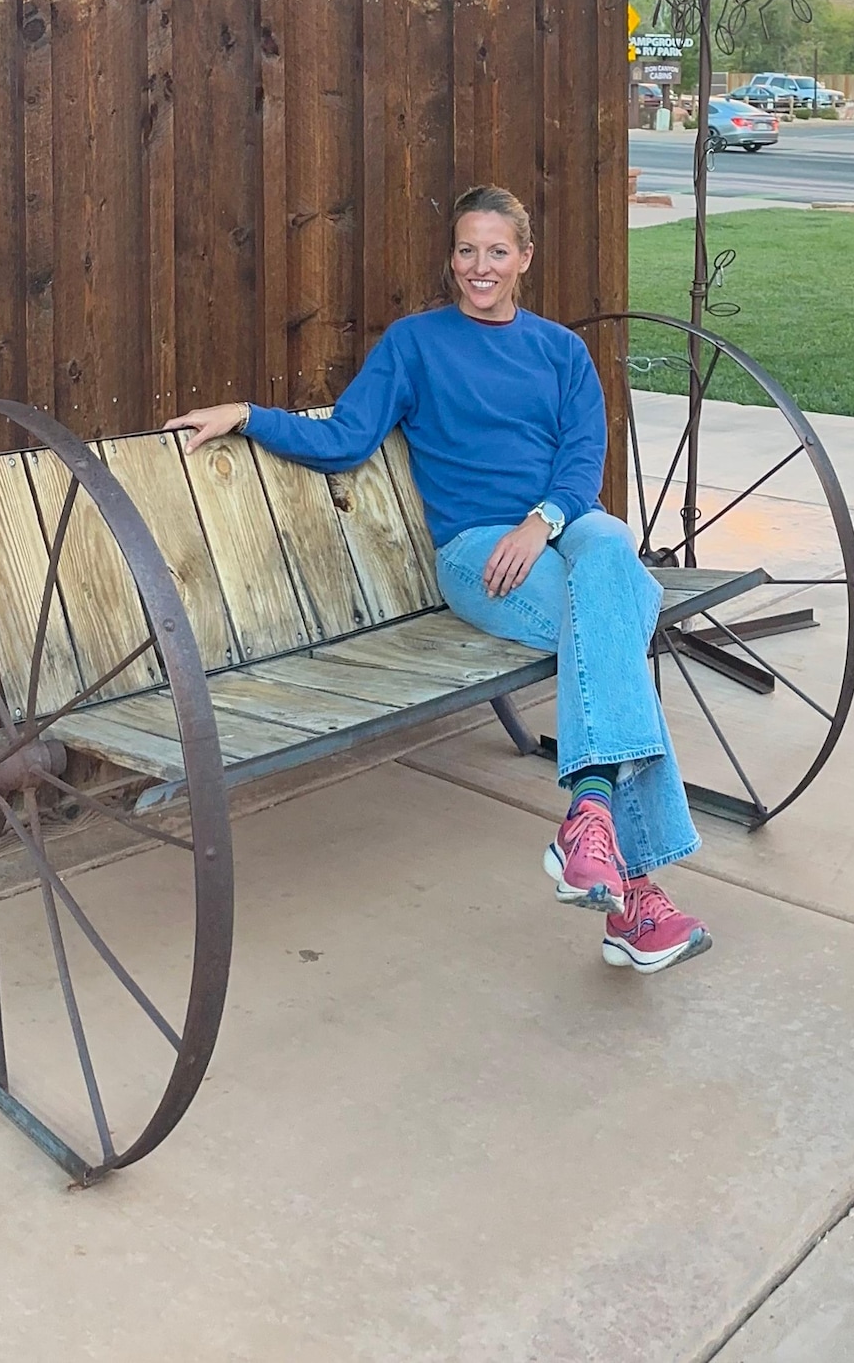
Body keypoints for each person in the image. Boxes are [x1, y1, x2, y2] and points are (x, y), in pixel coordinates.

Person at [161, 185, 704, 972]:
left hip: (560, 526)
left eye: (497, 251)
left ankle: (591, 816)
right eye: (466, 250)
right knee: (615, 622)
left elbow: (583, 459)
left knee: (613, 548)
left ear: (524, 258)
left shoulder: (560, 351)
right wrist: (247, 414)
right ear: (451, 258)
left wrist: (541, 522)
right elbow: (347, 438)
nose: (480, 267)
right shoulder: (415, 344)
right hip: (479, 552)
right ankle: (634, 895)